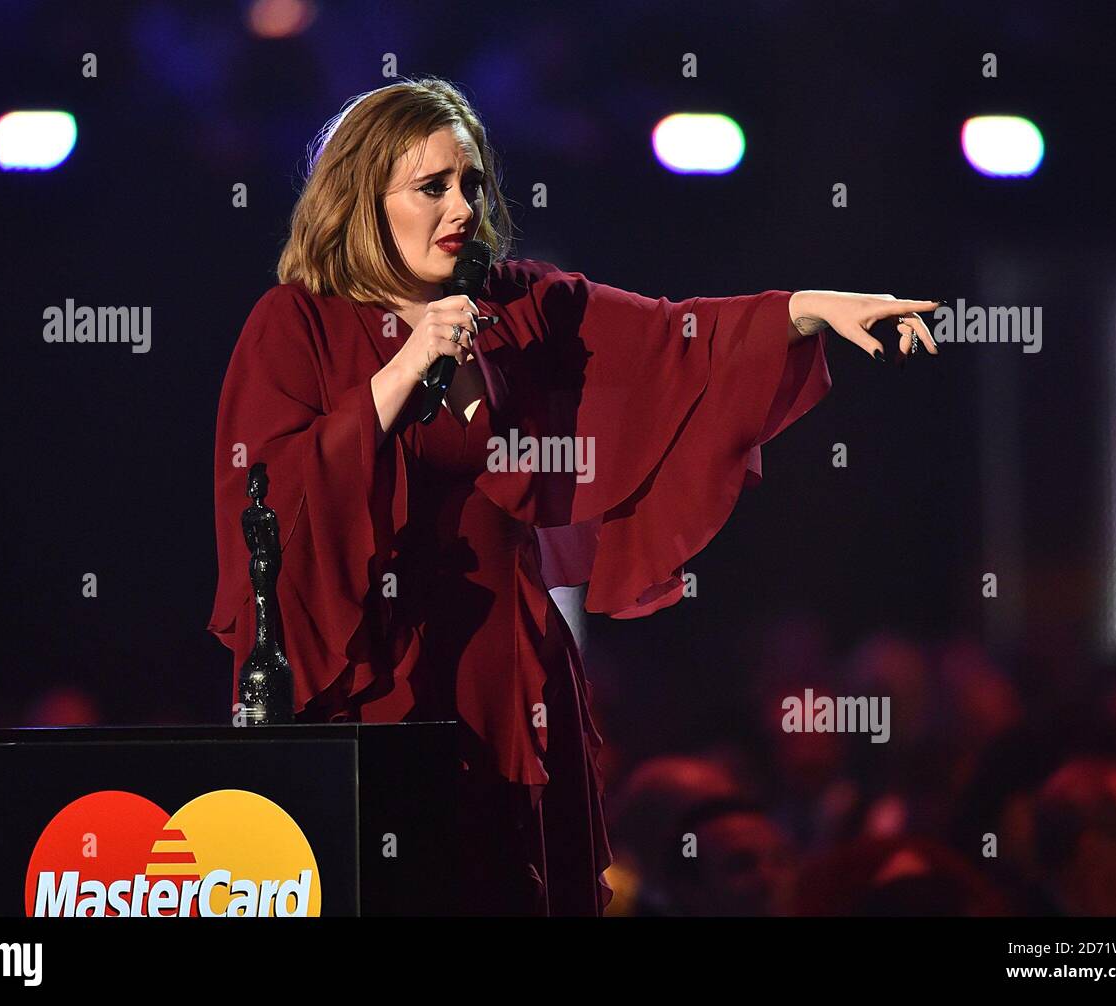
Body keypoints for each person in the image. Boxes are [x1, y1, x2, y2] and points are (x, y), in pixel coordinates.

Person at [207, 76, 940, 916]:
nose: (461, 207)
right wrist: (406, 366)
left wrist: (809, 309)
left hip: (508, 672)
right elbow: (269, 501)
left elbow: (675, 341)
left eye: (472, 183)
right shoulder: (296, 323)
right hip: (373, 672)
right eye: (432, 187)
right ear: (362, 200)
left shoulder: (518, 307)